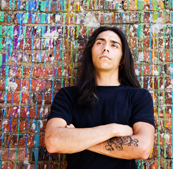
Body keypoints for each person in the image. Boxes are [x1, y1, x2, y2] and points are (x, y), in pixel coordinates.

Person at [45, 26, 155, 169]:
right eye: (100, 43)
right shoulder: (68, 95)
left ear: (122, 59)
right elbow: (53, 142)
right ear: (91, 52)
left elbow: (143, 148)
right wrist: (113, 129)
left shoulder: (138, 97)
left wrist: (77, 140)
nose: (105, 48)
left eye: (114, 45)